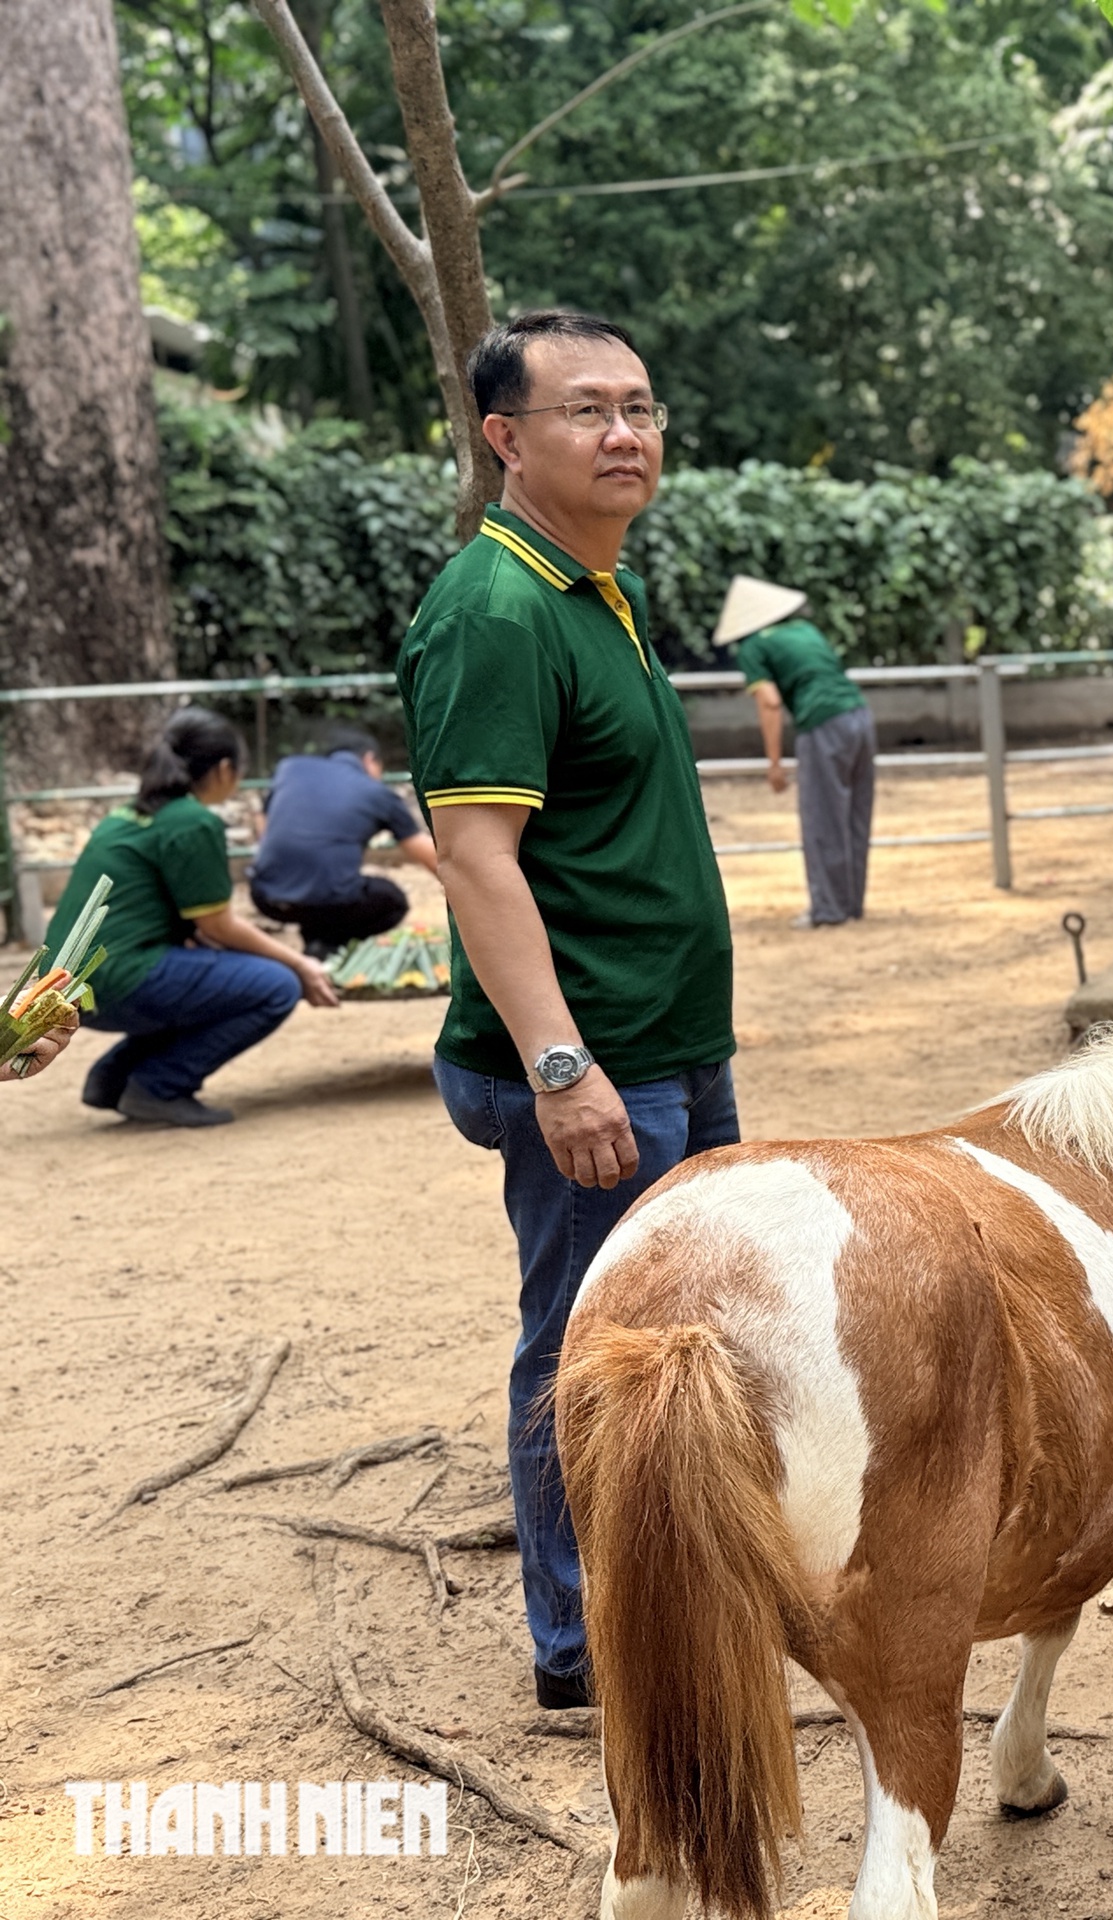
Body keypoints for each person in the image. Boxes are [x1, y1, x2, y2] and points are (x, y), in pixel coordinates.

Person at [398, 308, 738, 1711]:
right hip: (590, 1067)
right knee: (592, 1354)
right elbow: (473, 856)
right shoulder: (492, 608)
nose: (624, 434)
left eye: (642, 408)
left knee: (678, 1342)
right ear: (503, 438)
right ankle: (589, 1648)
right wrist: (558, 1063)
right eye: (587, 410)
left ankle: (673, 1601)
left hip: (666, 1049)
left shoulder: (594, 586)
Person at [63, 707, 340, 1128]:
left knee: (215, 978)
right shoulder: (191, 821)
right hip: (119, 976)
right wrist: (299, 963)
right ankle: (158, 1085)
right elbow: (219, 926)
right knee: (277, 985)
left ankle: (112, 1078)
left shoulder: (126, 815)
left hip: (70, 983)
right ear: (225, 768)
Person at [717, 574, 875, 928]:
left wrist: (774, 763)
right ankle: (852, 904)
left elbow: (770, 703)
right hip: (859, 716)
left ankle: (829, 910)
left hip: (822, 723)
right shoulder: (805, 630)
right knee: (854, 815)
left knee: (822, 817)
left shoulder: (753, 647)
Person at [247, 724, 439, 957]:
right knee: (392, 901)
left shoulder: (290, 768)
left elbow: (263, 824)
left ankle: (317, 945)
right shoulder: (376, 793)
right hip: (332, 901)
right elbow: (423, 851)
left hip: (266, 896)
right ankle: (329, 947)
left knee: (322, 890)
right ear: (369, 759)